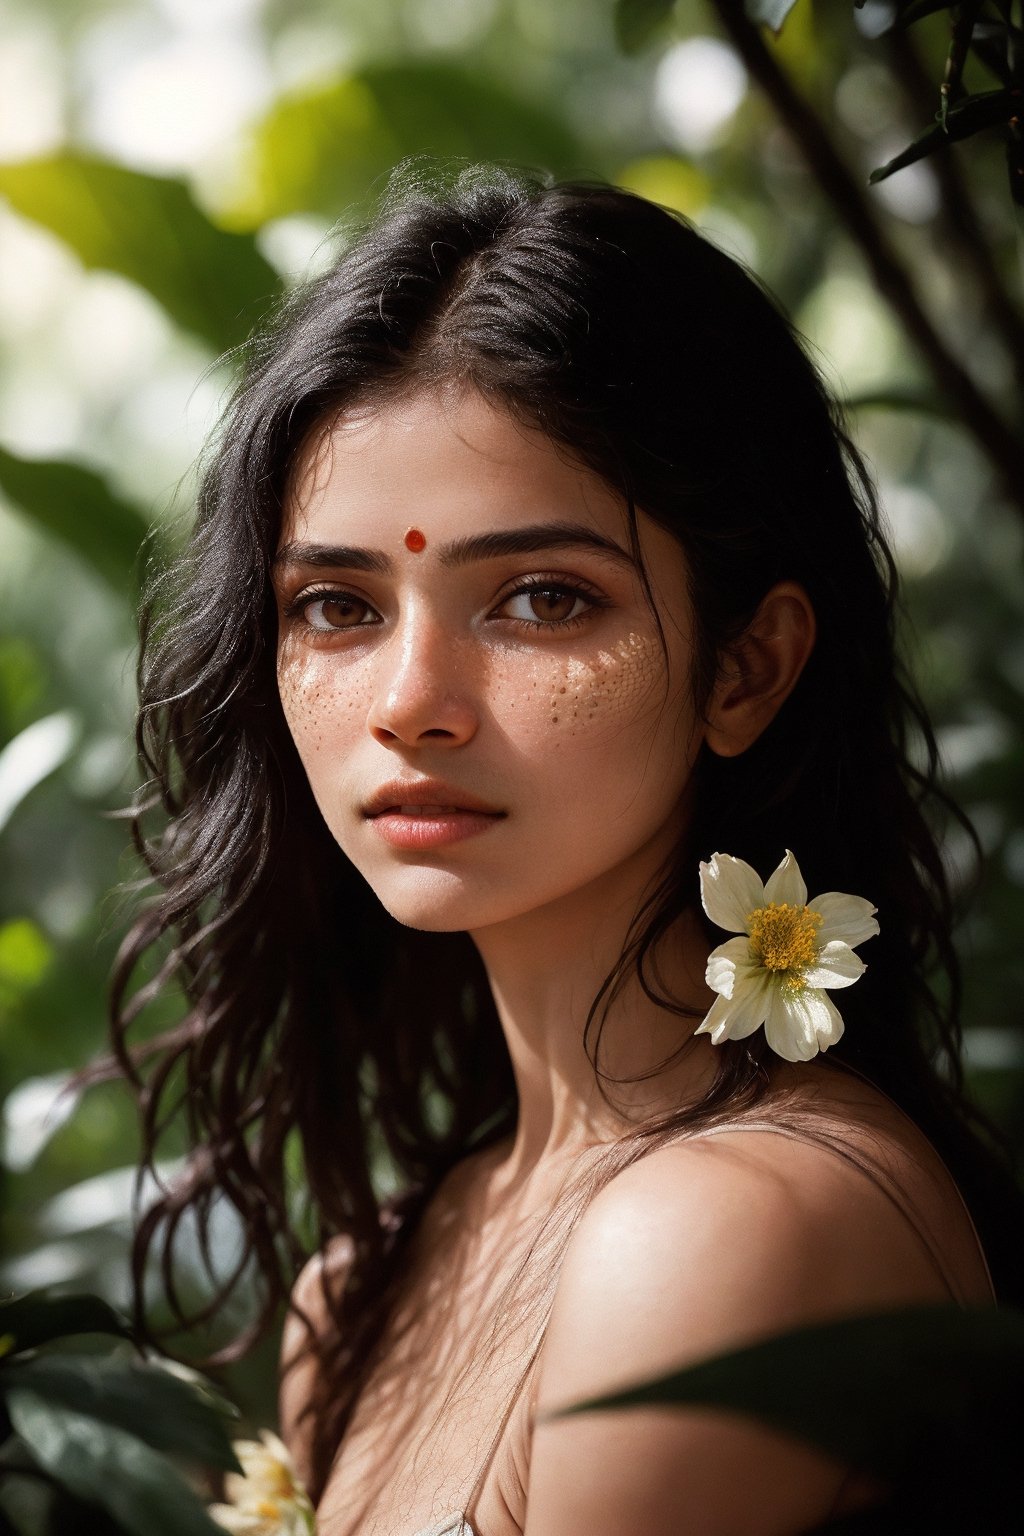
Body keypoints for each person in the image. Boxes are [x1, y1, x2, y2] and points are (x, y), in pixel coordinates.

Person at [110, 165, 1021, 1536]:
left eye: (543, 598)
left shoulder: (730, 1229)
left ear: (747, 668)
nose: (412, 697)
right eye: (339, 605)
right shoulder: (356, 1298)